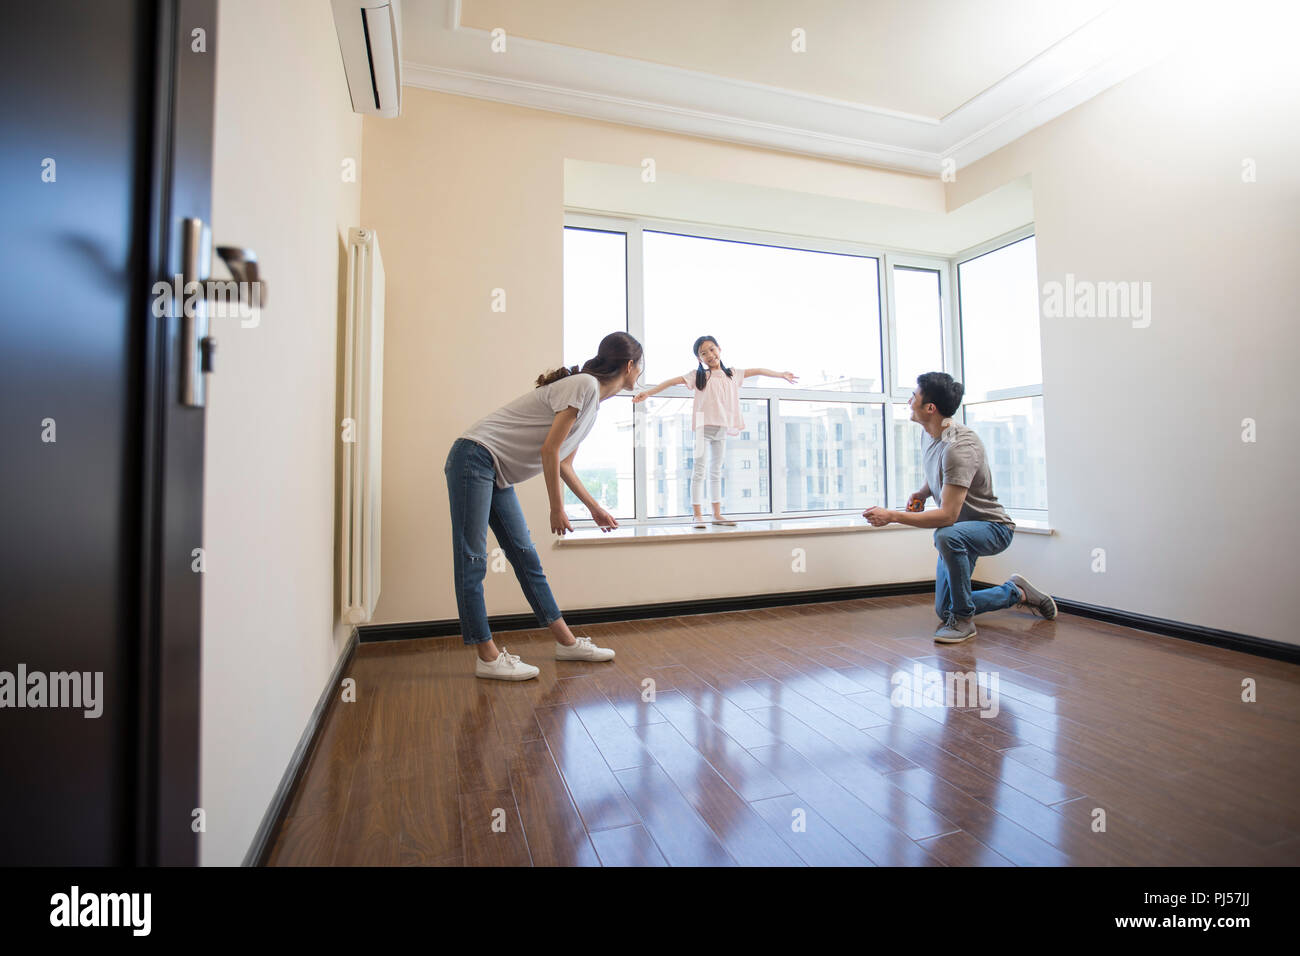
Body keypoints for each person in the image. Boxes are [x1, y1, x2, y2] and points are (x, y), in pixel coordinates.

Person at [444, 331, 643, 679]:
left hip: (496, 471)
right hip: (474, 456)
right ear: (630, 366)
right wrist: (556, 508)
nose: (639, 372)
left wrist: (593, 507)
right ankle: (487, 657)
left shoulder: (591, 403)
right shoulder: (584, 385)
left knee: (525, 555)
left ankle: (566, 644)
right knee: (473, 558)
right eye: (640, 367)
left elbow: (564, 462)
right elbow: (548, 450)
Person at [863, 371, 1057, 643]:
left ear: (930, 408)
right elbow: (942, 475)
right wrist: (923, 491)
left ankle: (964, 622)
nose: (909, 402)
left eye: (914, 397)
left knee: (945, 534)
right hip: (960, 531)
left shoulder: (960, 446)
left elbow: (948, 515)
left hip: (992, 528)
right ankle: (1016, 592)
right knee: (944, 609)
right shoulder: (929, 434)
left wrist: (893, 516)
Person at [634, 334, 796, 528]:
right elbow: (669, 382)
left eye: (712, 349)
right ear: (699, 359)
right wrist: (648, 393)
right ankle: (697, 515)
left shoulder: (733, 374)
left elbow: (760, 370)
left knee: (716, 471)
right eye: (704, 353)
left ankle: (717, 514)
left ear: (719, 349)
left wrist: (781, 375)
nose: (709, 355)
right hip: (703, 425)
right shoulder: (698, 375)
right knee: (699, 470)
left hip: (722, 426)